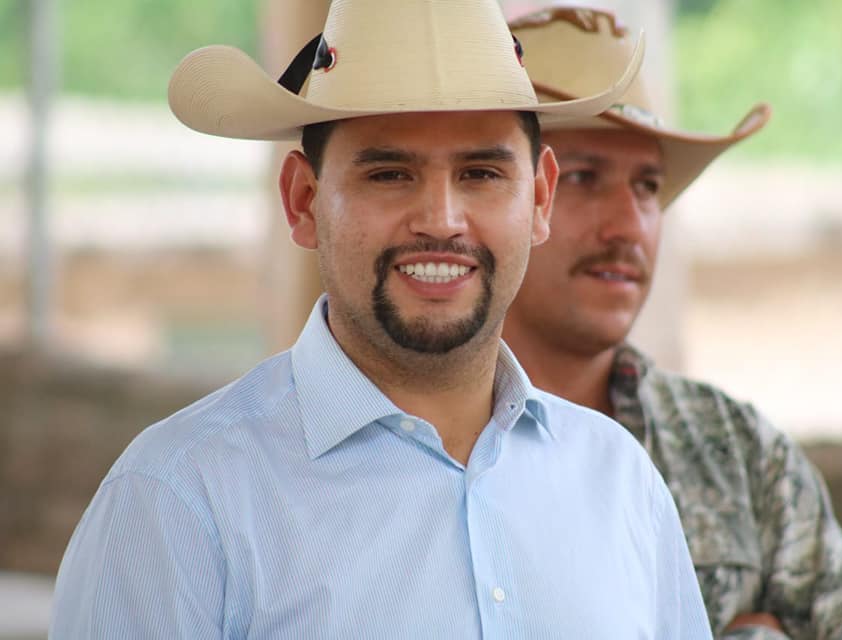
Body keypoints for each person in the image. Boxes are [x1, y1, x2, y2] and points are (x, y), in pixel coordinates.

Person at [48, 1, 712, 637]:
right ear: (303, 201)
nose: (441, 221)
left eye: (481, 173)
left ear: (539, 199)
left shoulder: (622, 483)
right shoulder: (178, 499)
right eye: (390, 174)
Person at [502, 7, 842, 639]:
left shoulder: (738, 453)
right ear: (502, 195)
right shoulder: (412, 448)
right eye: (583, 178)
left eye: (648, 186)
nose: (628, 226)